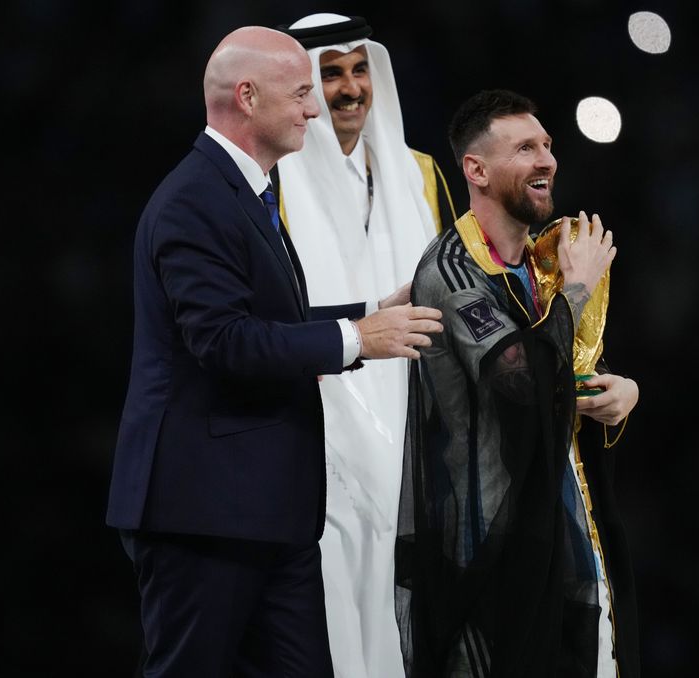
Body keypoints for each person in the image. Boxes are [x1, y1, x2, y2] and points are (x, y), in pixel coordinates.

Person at [105, 26, 443, 678]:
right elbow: (224, 342)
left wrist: (371, 312)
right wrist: (354, 342)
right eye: (300, 94)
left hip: (271, 513)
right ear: (248, 97)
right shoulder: (192, 201)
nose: (314, 109)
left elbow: (269, 322)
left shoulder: (247, 192)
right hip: (204, 513)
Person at [395, 89, 641, 677]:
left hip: (561, 543)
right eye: (525, 147)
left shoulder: (540, 263)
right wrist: (578, 289)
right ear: (475, 170)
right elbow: (523, 382)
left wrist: (620, 392)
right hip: (488, 563)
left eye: (548, 146)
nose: (547, 160)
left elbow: (564, 375)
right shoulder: (451, 271)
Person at [271, 13, 455, 678]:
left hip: (415, 443)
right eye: (330, 74)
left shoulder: (423, 175)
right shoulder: (271, 182)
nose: (349, 90)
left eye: (358, 70)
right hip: (314, 443)